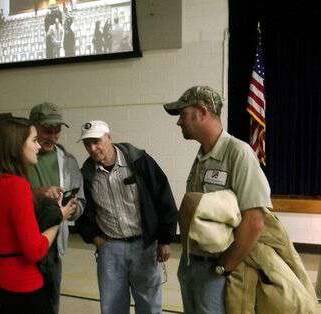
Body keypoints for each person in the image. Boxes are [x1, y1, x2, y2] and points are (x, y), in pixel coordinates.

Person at [163, 86, 272, 314]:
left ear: (202, 112)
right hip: (192, 264)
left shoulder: (238, 153)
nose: (179, 122)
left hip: (216, 270)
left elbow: (254, 221)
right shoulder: (202, 155)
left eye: (183, 114)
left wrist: (224, 267)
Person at [76, 120, 178, 314]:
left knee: (150, 305)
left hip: (145, 246)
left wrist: (165, 240)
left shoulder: (139, 161)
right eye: (87, 144)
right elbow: (81, 209)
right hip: (110, 248)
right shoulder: (86, 174)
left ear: (109, 137)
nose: (92, 148)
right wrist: (93, 237)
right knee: (112, 306)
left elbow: (163, 197)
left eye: (96, 141)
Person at [0, 117, 77, 314]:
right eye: (33, 140)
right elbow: (35, 251)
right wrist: (59, 217)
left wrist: (39, 194)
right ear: (16, 147)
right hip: (22, 285)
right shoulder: (17, 185)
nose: (38, 146)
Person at [28, 103, 85, 314]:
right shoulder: (16, 158)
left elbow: (80, 200)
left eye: (57, 131)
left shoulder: (68, 161)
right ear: (32, 127)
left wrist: (72, 209)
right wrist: (39, 193)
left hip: (52, 246)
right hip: (22, 241)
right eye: (46, 131)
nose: (52, 136)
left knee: (50, 301)